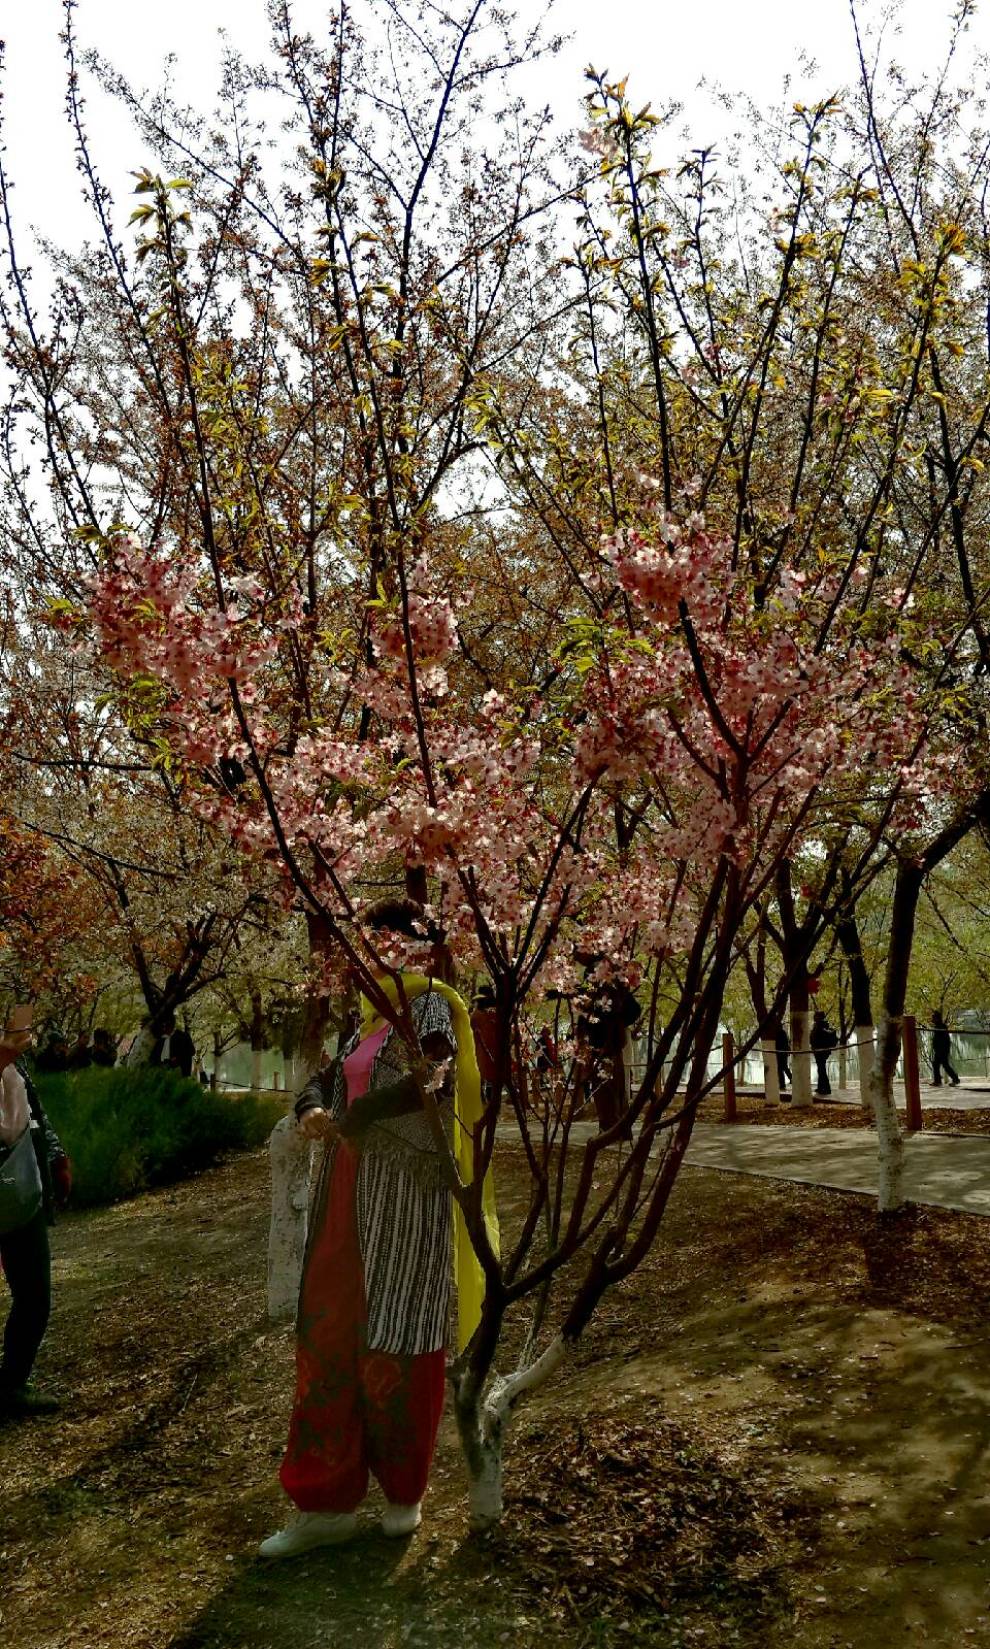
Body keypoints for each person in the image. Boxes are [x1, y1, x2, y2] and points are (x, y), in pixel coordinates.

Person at [260, 899, 497, 1559]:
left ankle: (403, 1490)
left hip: (404, 1193)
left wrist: (355, 1118)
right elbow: (328, 1076)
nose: (378, 950)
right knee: (331, 1332)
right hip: (347, 1189)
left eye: (391, 938)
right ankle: (324, 1497)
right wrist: (311, 1107)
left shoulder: (429, 1007)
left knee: (401, 1329)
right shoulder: (367, 1018)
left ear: (419, 947)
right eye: (372, 940)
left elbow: (432, 1078)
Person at [0, 1019, 72, 1419]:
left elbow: (33, 1111)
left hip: (19, 1180)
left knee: (34, 1293)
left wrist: (56, 1156)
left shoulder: (13, 1057)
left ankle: (12, 1384)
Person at [150, 1011, 195, 1079]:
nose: (164, 1028)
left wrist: (178, 1058)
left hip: (177, 1069)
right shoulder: (160, 1039)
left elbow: (192, 1051)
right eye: (163, 1026)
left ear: (172, 1025)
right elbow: (154, 1055)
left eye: (166, 1026)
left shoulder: (183, 1036)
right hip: (161, 1069)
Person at [810, 1010, 839, 1097]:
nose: (814, 1017)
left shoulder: (821, 1025)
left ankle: (826, 1089)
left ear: (819, 1017)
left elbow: (820, 1037)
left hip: (821, 1051)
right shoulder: (818, 1025)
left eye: (816, 1015)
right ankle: (821, 1087)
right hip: (818, 1050)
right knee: (820, 1069)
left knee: (822, 1069)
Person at [930, 1011, 960, 1087]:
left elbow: (944, 1040)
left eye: (933, 1017)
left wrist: (941, 1050)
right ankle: (938, 1081)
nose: (932, 1019)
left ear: (937, 1018)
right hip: (939, 1050)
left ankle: (955, 1079)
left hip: (942, 1050)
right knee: (936, 1064)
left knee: (945, 1065)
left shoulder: (941, 1027)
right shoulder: (938, 1026)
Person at [774, 1023, 791, 1095]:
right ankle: (790, 1079)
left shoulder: (780, 1033)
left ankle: (782, 1085)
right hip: (782, 1053)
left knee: (781, 1069)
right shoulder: (782, 1033)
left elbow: (782, 1044)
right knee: (783, 1068)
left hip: (781, 1053)